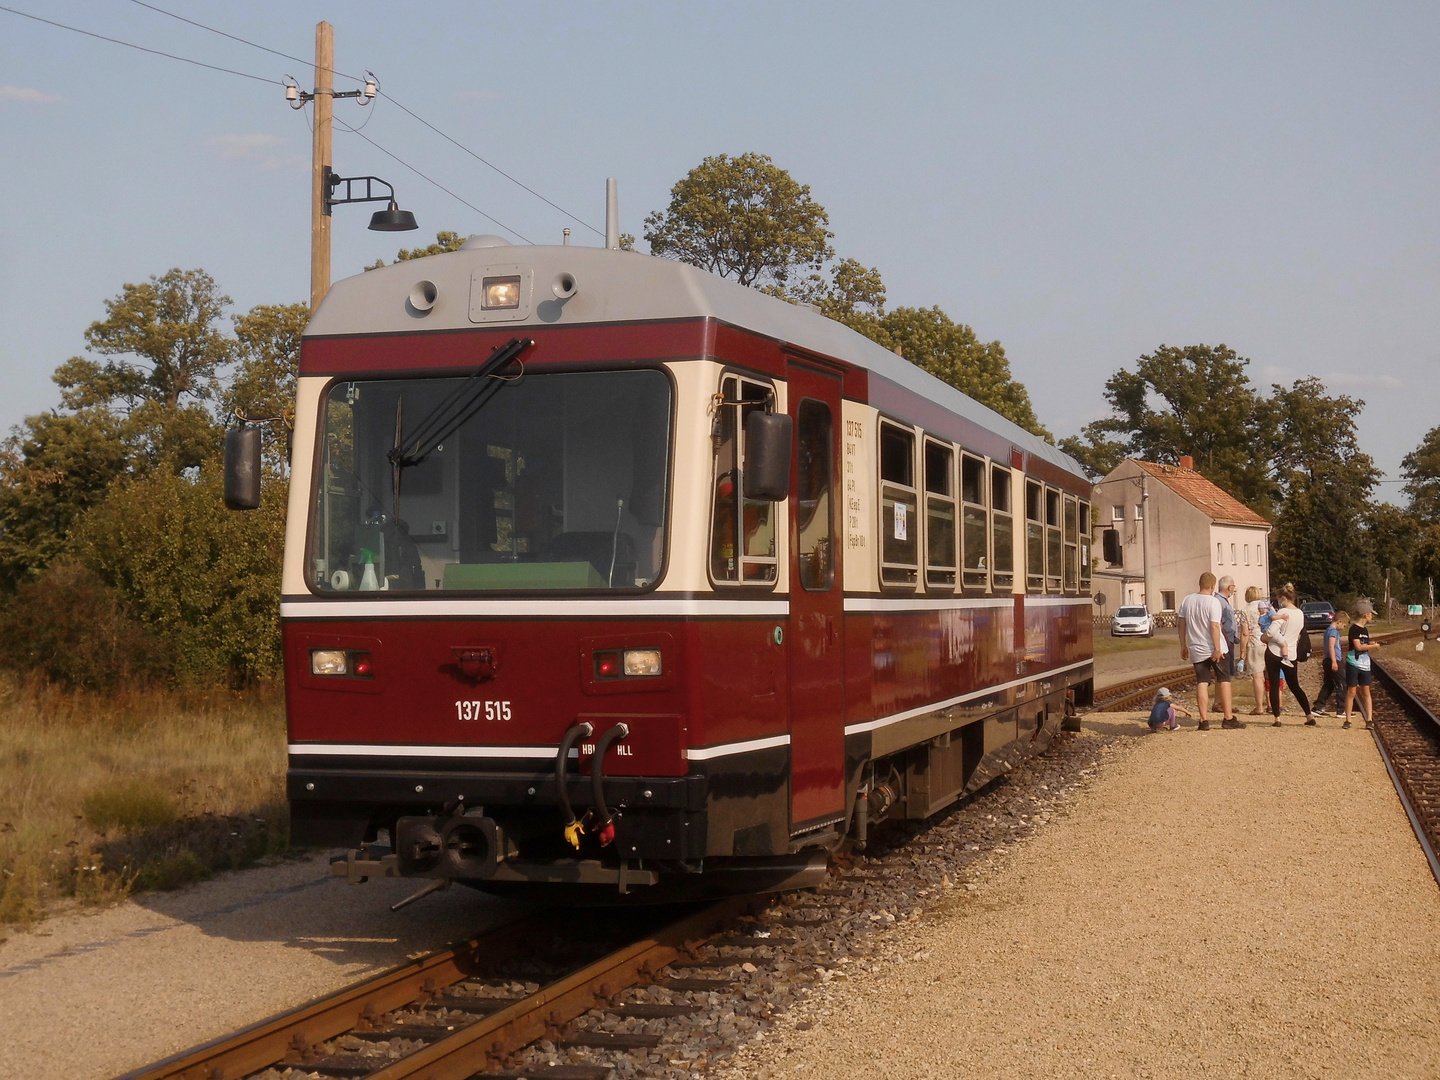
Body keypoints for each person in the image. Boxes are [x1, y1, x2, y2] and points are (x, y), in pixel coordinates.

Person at [1177, 572, 1243, 730]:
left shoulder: (1187, 600)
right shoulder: (1213, 602)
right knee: (1224, 680)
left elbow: (1181, 624)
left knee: (1202, 682)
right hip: (1215, 648)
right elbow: (1214, 626)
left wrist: (1183, 645)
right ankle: (1228, 717)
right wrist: (1218, 648)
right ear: (1213, 586)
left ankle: (1203, 720)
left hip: (1196, 648)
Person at [1263, 583, 1313, 724]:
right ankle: (1309, 715)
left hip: (1273, 651)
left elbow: (1271, 631)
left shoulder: (1281, 613)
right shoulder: (1300, 614)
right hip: (1291, 653)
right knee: (1294, 685)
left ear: (1282, 598)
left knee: (1274, 685)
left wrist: (1264, 638)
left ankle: (1277, 718)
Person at [1344, 600, 1384, 729]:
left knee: (1366, 691)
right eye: (1371, 614)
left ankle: (1369, 719)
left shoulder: (1365, 630)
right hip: (1353, 662)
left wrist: (1370, 644)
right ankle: (1348, 720)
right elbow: (1358, 646)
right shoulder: (1354, 629)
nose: (1372, 617)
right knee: (1352, 690)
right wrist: (1373, 646)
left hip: (1365, 663)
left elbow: (1364, 644)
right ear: (1365, 615)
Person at [1312, 610, 1349, 717]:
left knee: (1329, 684)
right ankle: (1341, 709)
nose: (1343, 628)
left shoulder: (1328, 630)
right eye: (1344, 625)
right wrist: (1334, 661)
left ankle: (1318, 707)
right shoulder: (1333, 631)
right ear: (1339, 622)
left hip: (1327, 659)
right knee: (1342, 684)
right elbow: (1331, 646)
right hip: (1333, 660)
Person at [1241, 587, 1268, 715]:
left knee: (1258, 676)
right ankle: (1273, 704)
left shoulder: (1246, 611)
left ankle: (1259, 707)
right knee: (1271, 675)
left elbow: (1245, 633)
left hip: (1254, 643)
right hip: (1269, 641)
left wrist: (1242, 651)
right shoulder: (1268, 607)